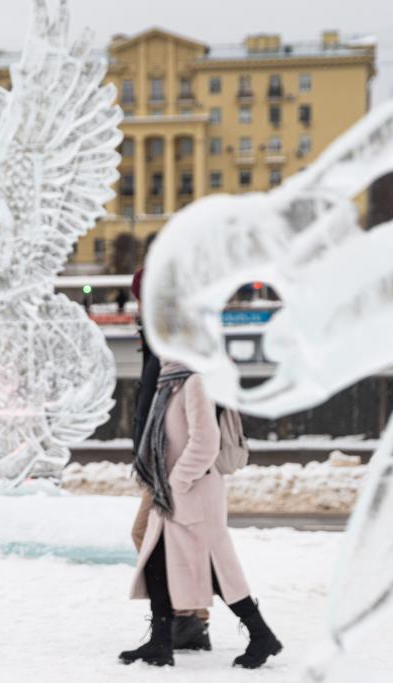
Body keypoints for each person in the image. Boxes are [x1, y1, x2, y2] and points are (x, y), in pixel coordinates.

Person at [121, 358, 282, 669]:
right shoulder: (170, 381)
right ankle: (161, 641)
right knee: (159, 562)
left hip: (192, 494)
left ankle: (260, 635)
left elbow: (206, 442)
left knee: (218, 570)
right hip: (173, 493)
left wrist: (176, 481)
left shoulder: (195, 382)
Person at [127, 268, 210, 653]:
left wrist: (184, 459)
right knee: (164, 536)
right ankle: (186, 620)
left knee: (150, 534)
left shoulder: (179, 339)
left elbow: (191, 400)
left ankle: (187, 620)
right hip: (160, 455)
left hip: (173, 458)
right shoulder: (158, 336)